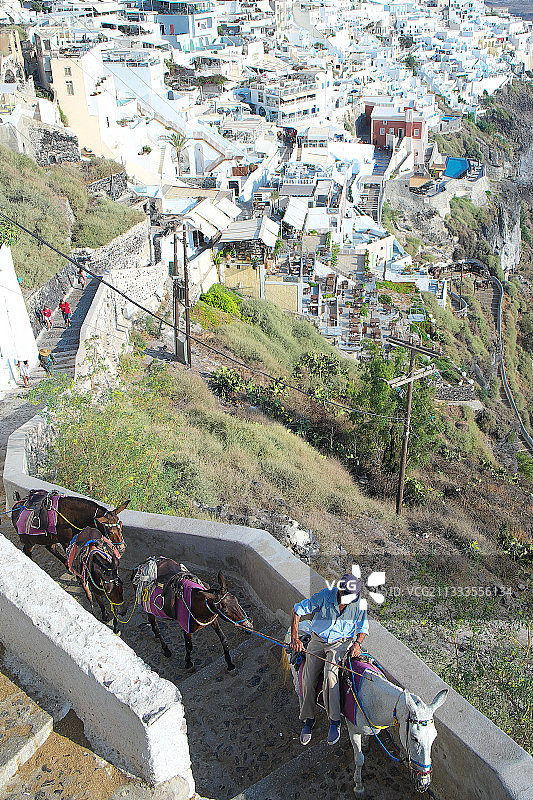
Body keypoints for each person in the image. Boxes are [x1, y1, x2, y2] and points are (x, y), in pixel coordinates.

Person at [291, 574, 368, 747]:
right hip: (318, 640)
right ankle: (308, 720)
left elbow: (363, 628)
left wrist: (357, 643)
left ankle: (334, 721)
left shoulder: (358, 605)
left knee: (331, 676)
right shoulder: (325, 596)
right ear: (340, 590)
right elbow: (297, 610)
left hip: (339, 644)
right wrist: (295, 638)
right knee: (308, 679)